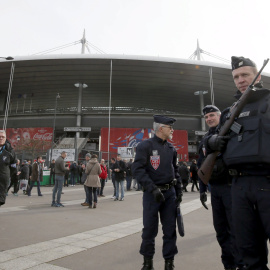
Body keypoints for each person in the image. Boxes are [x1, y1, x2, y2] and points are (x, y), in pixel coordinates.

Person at [205, 56, 270, 269]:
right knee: (247, 250)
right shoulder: (229, 112)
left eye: (245, 75)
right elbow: (218, 145)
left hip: (266, 182)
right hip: (238, 186)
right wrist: (212, 142)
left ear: (257, 76)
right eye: (236, 77)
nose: (241, 80)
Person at [132, 115, 182, 270]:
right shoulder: (145, 146)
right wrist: (153, 189)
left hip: (169, 194)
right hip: (152, 195)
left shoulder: (171, 148)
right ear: (161, 128)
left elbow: (176, 171)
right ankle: (147, 263)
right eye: (170, 127)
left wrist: (178, 191)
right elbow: (137, 169)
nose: (172, 130)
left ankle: (169, 263)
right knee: (149, 230)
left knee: (170, 230)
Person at [198, 105, 243, 270]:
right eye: (206, 117)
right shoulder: (204, 140)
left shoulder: (231, 130)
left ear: (219, 116)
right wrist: (202, 191)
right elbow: (201, 165)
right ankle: (228, 265)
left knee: (236, 230)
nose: (209, 119)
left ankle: (240, 264)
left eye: (212, 115)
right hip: (215, 190)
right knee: (221, 231)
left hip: (231, 187)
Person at [0, 130, 17, 205]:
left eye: (3, 137)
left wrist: (7, 175)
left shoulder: (10, 150)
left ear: (5, 138)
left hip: (3, 181)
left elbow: (13, 165)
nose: (1, 138)